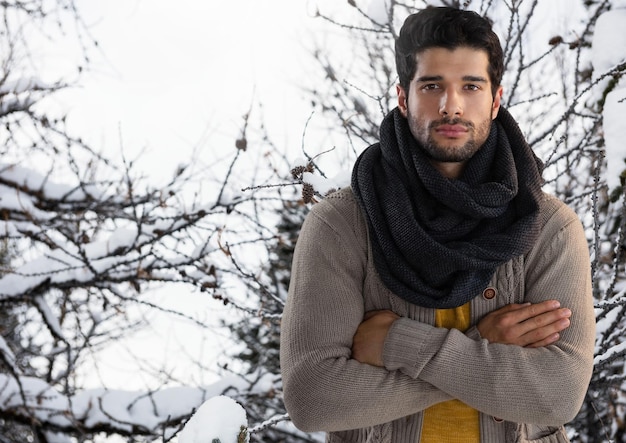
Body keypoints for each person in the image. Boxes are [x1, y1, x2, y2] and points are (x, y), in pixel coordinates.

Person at [280, 6, 595, 443]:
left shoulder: (547, 227)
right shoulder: (343, 225)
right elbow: (314, 398)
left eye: (471, 86)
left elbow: (556, 396)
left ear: (496, 98)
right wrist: (482, 345)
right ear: (402, 97)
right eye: (432, 86)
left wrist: (396, 343)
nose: (452, 106)